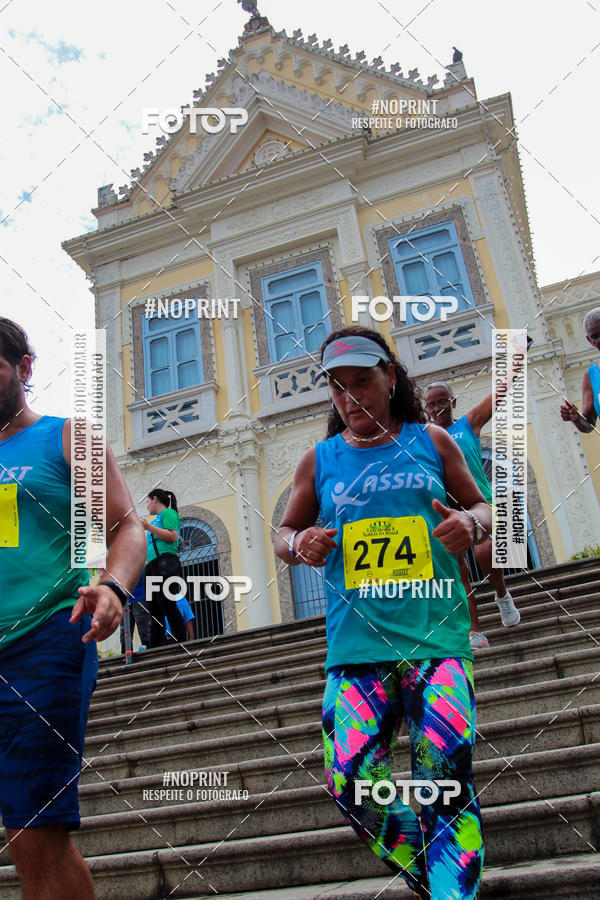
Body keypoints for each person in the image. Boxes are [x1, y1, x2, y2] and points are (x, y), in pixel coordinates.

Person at [275, 326, 491, 899]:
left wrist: (471, 524)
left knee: (443, 785)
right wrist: (300, 544)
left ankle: (451, 892)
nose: (351, 399)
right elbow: (284, 531)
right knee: (351, 781)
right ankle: (435, 877)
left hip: (436, 643)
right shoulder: (318, 460)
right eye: (338, 389)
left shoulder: (432, 441)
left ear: (390, 378)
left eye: (363, 382)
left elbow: (483, 506)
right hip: (357, 651)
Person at [0, 318, 147, 899]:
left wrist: (111, 587)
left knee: (33, 832)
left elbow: (127, 526)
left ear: (25, 367)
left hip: (45, 641)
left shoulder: (67, 437)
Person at [424, 373, 523, 650]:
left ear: (452, 401)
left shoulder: (467, 425)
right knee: (459, 571)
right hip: (447, 513)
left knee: (484, 551)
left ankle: (502, 594)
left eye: (442, 401)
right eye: (431, 405)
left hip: (478, 506)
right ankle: (474, 630)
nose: (437, 409)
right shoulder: (425, 439)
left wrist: (514, 361)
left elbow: (497, 395)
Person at [142, 488, 187, 647]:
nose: (147, 506)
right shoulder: (154, 521)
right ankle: (154, 647)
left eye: (147, 502)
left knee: (167, 603)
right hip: (153, 565)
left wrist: (148, 528)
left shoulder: (168, 514)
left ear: (154, 499)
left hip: (166, 563)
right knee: (154, 608)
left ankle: (182, 641)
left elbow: (173, 536)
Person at [560, 307, 600, 433]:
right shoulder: (591, 376)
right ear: (589, 340)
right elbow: (588, 424)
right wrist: (576, 418)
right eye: (595, 336)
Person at [119, 569, 152, 653]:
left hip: (140, 596)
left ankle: (148, 652)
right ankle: (126, 654)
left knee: (144, 629)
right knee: (124, 631)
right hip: (125, 600)